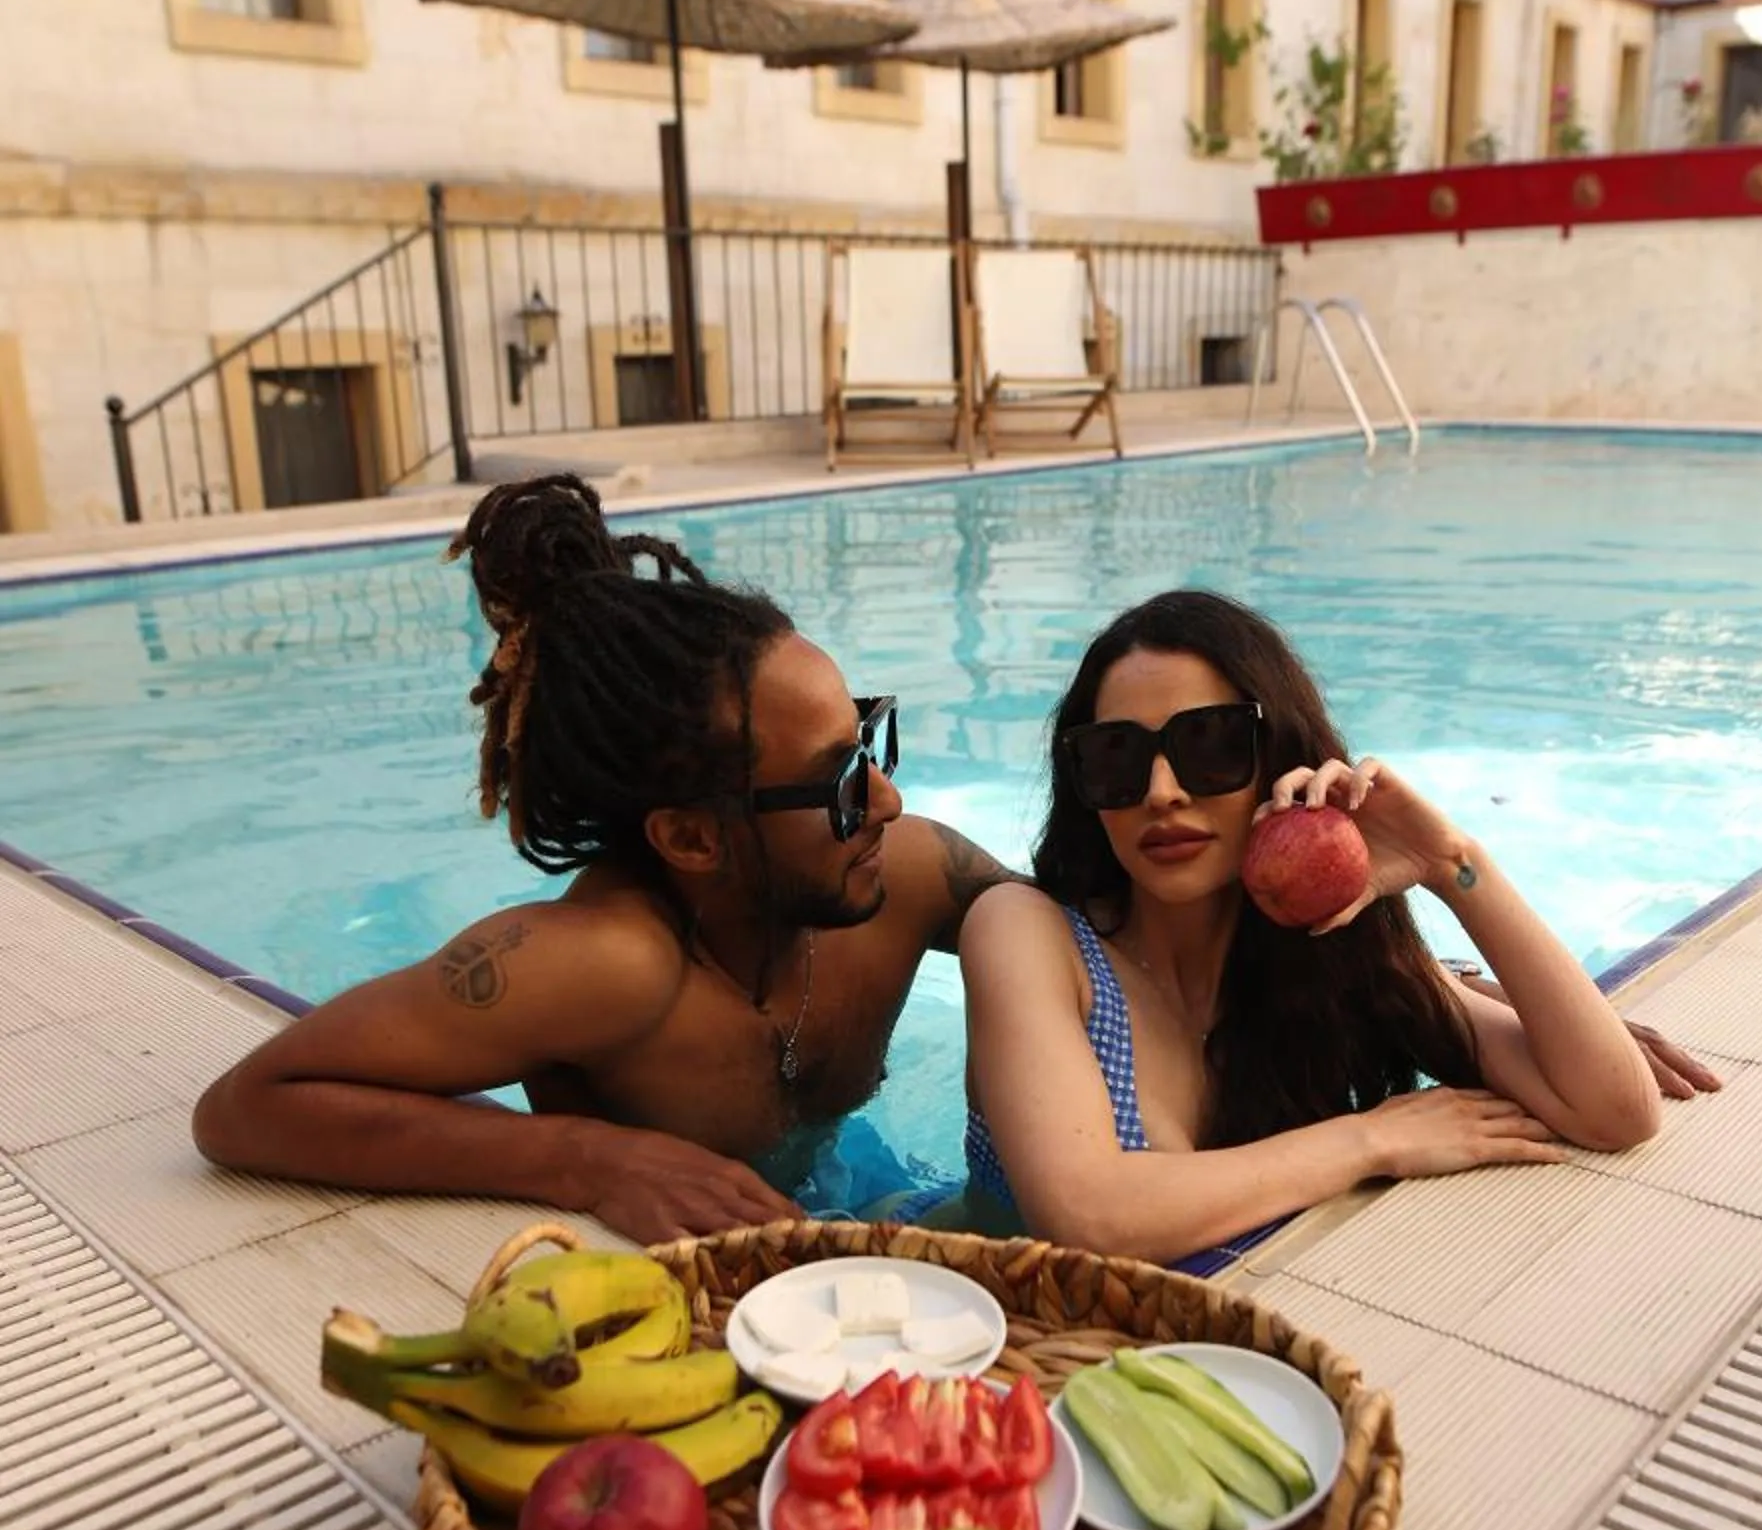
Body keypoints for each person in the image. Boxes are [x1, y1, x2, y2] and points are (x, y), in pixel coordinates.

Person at [192, 475, 1014, 1241]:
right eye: (837, 780)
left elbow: (1097, 938)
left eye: (865, 742)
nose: (886, 802)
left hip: (858, 1189)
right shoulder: (608, 964)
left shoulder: (907, 874)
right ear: (692, 838)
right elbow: (246, 1107)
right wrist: (586, 1160)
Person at [960, 588, 1683, 1267]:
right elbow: (1089, 1217)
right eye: (1115, 756)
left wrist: (1453, 864)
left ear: (1279, 760)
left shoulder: (1327, 957)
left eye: (1209, 745)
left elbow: (1618, 1112)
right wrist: (1373, 1139)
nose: (1162, 792)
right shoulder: (1028, 934)